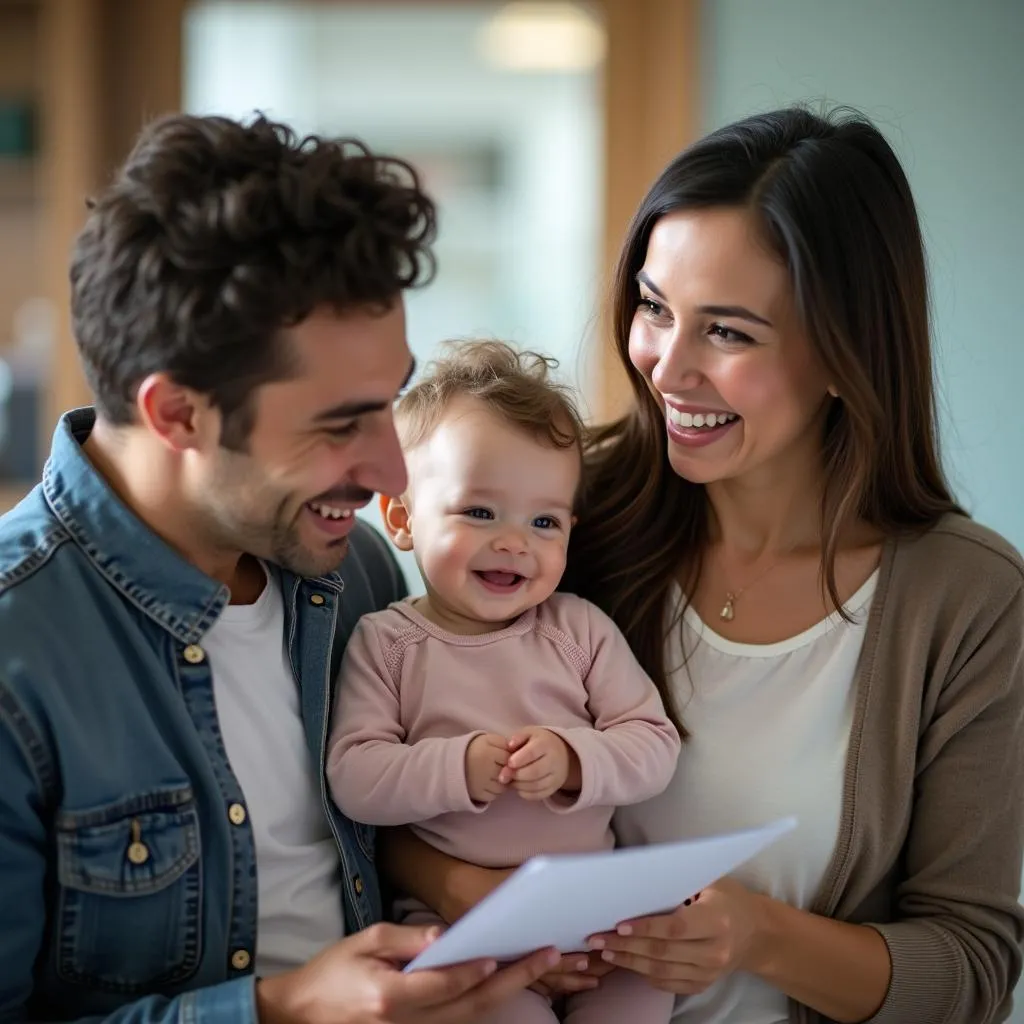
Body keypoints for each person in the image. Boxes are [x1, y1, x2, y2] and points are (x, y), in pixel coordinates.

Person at [380, 106, 1024, 1024]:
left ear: (847, 353)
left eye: (727, 332)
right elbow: (391, 773)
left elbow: (972, 969)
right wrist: (452, 885)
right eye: (653, 307)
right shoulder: (563, 528)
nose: (667, 368)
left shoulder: (966, 599)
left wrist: (758, 935)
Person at [0, 113, 558, 1024]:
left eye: (392, 404)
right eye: (341, 424)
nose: (389, 473)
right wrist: (281, 1011)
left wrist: (451, 885)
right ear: (178, 413)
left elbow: (348, 824)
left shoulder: (356, 569)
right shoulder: (15, 656)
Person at [326, 340, 681, 1024]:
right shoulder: (388, 642)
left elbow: (653, 743)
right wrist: (457, 766)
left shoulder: (578, 630)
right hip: (463, 934)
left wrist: (578, 759)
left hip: (593, 918)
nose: (516, 542)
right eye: (480, 513)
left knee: (646, 982)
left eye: (543, 521)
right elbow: (354, 776)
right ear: (401, 517)